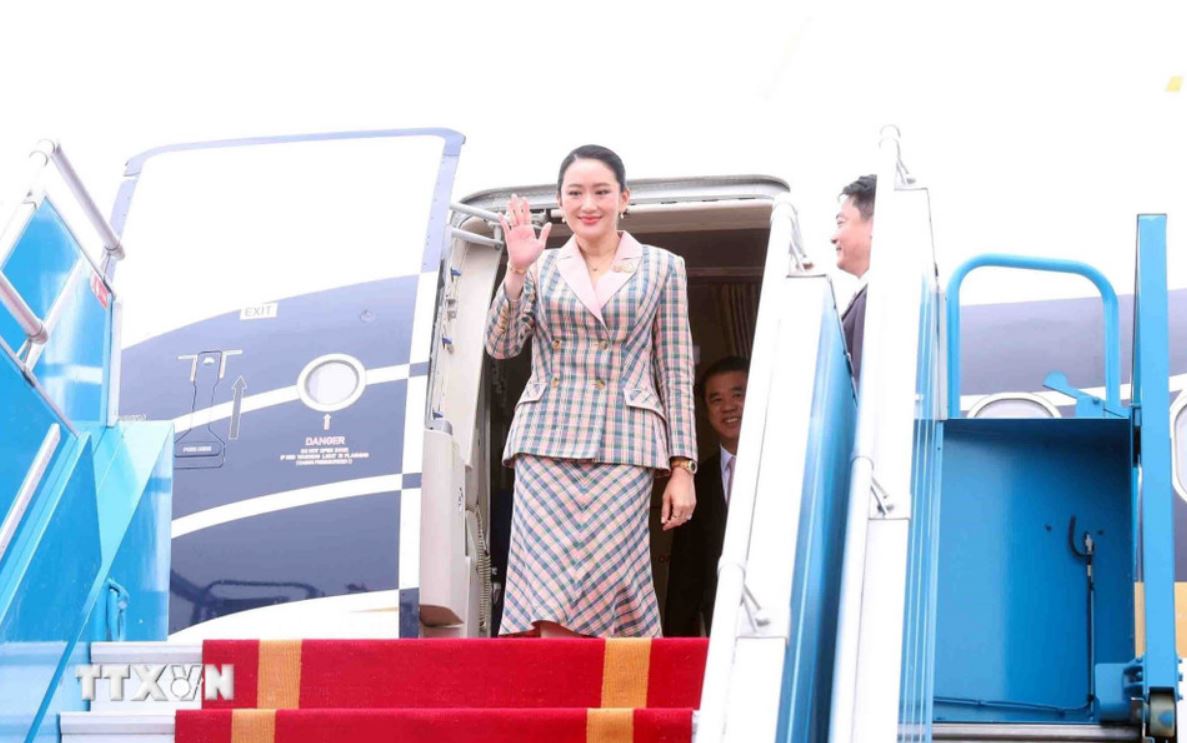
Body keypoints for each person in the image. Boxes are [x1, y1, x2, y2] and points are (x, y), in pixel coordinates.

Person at [485, 144, 697, 638]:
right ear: (560, 203)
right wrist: (515, 271)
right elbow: (501, 346)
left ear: (624, 198)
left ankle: (599, 693)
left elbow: (676, 368)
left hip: (625, 444)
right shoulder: (539, 265)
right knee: (547, 584)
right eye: (575, 193)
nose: (588, 204)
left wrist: (683, 467)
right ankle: (559, 696)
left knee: (607, 579)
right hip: (546, 442)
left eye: (601, 192)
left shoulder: (663, 266)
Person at [664, 356, 748, 637]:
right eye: (716, 399)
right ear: (705, 411)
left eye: (738, 395)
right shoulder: (694, 484)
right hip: (722, 635)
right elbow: (685, 580)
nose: (728, 407)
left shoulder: (791, 468)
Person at [832, 174, 876, 379]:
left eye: (841, 223)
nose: (833, 237)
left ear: (876, 226)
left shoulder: (876, 297)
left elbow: (860, 384)